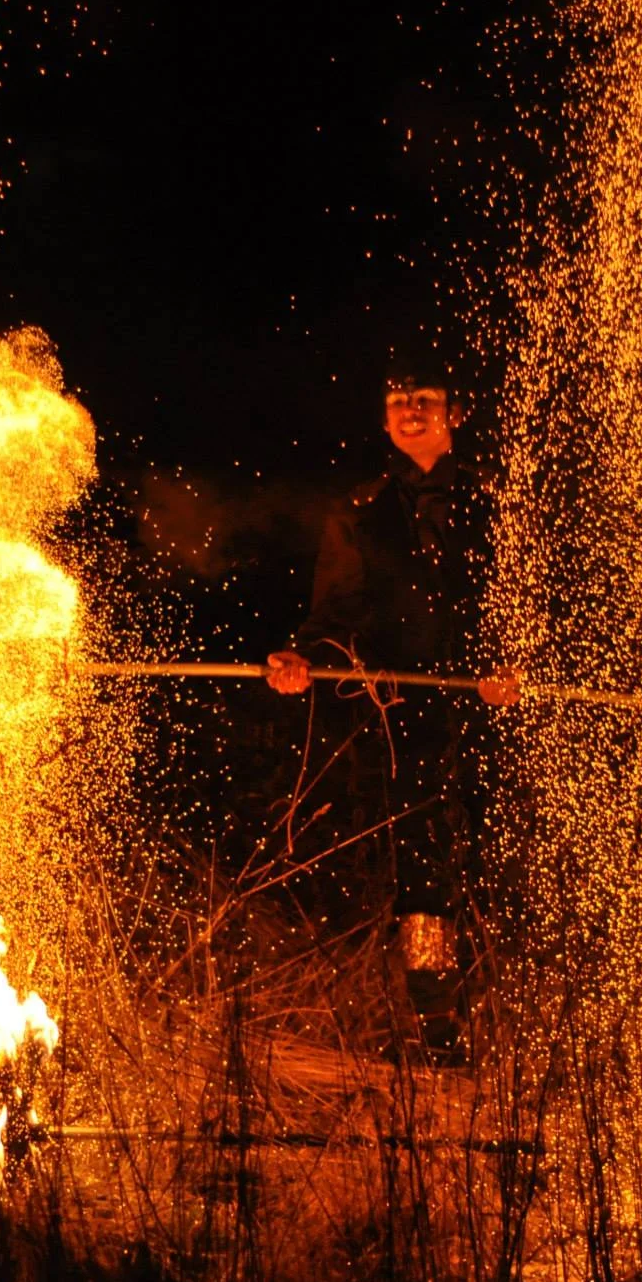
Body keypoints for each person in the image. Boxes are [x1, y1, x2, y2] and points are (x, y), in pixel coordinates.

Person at [265, 352, 516, 1059]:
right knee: (423, 877)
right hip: (405, 718)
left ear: (454, 413)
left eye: (426, 398)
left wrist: (511, 663)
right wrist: (301, 657)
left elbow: (525, 598)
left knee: (503, 862)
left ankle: (530, 1025)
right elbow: (334, 611)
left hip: (499, 715)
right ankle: (440, 1030)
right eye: (399, 400)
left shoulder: (498, 501)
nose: (411, 410)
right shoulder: (359, 509)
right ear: (384, 418)